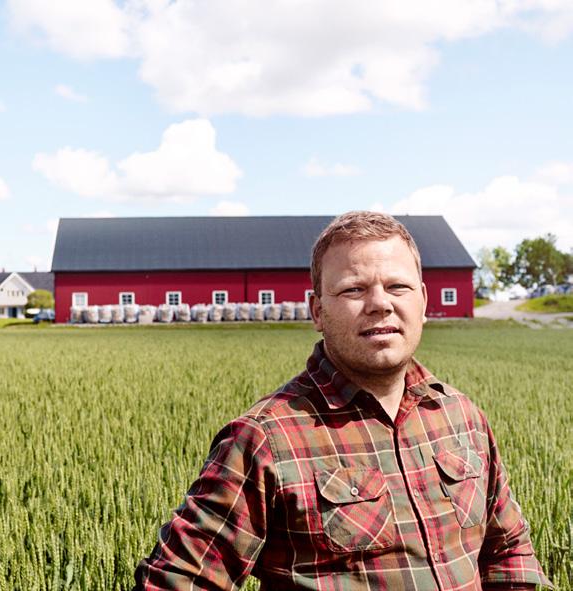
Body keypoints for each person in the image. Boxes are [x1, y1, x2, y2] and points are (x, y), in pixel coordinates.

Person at [134, 211, 552, 590]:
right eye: (354, 289)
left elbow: (508, 551)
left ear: (423, 300)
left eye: (397, 286)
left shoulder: (462, 417)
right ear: (317, 311)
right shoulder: (266, 439)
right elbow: (177, 581)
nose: (380, 304)